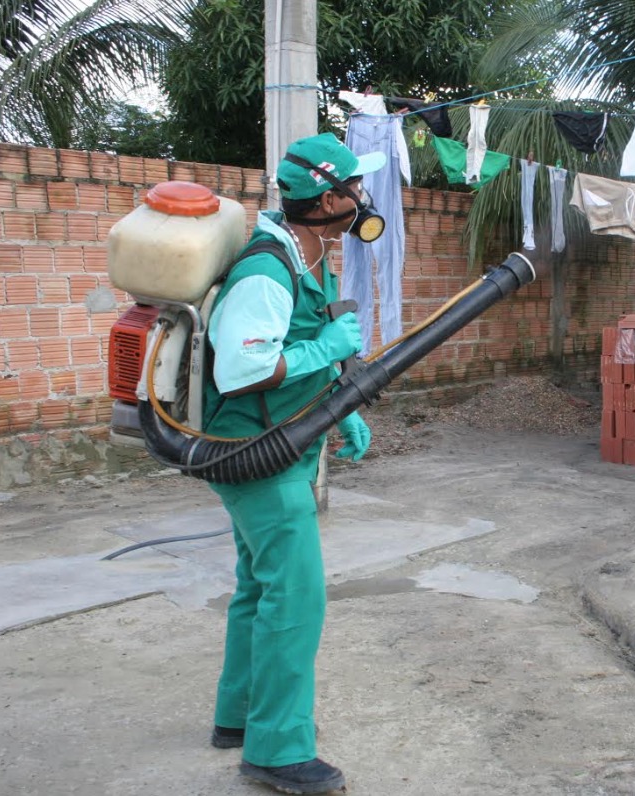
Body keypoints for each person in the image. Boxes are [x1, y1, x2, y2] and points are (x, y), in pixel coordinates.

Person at [201, 132, 384, 794]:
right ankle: (276, 750)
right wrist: (328, 349)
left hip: (278, 445)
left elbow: (305, 345)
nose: (365, 198)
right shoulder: (268, 271)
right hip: (254, 455)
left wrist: (342, 406)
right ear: (328, 198)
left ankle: (238, 718)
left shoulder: (309, 257)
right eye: (356, 187)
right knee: (296, 596)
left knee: (259, 584)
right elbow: (244, 366)